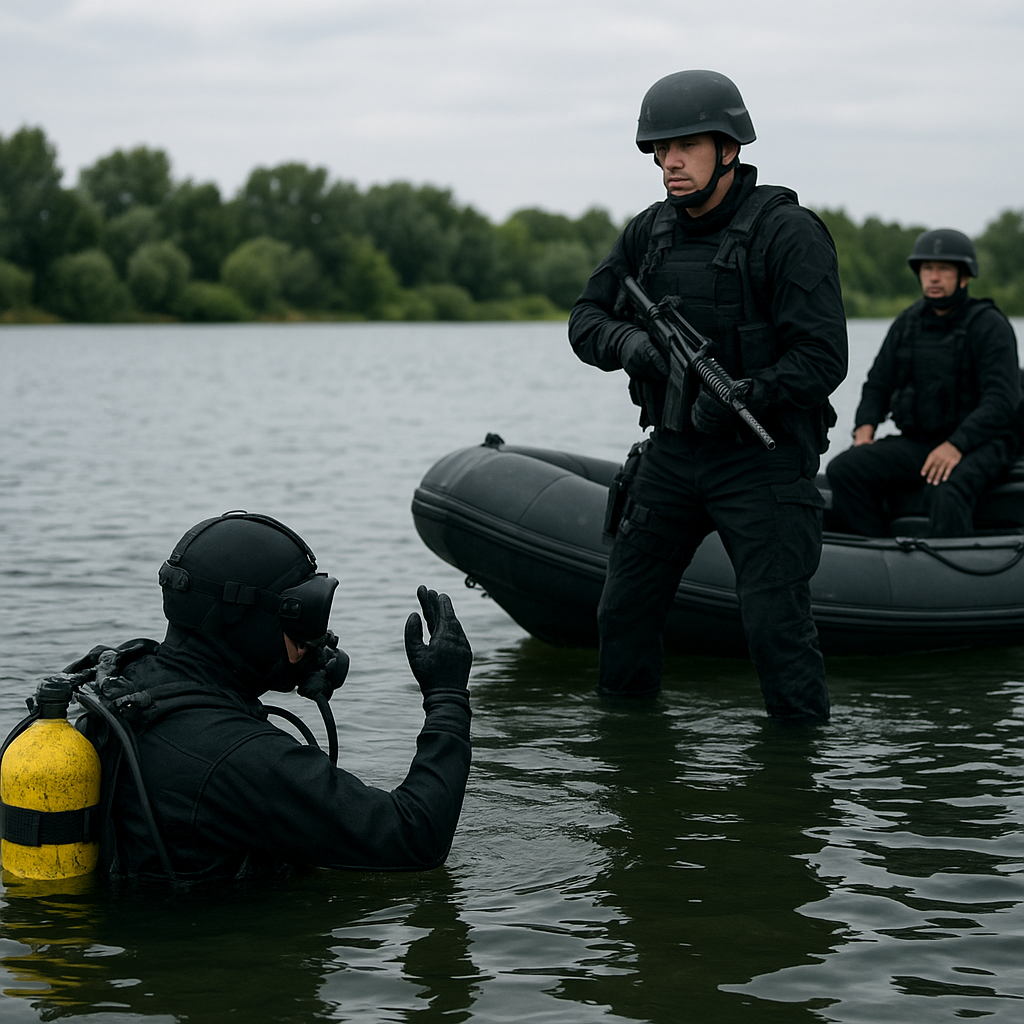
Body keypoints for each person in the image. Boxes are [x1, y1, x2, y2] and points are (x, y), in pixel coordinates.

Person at [568, 70, 848, 722]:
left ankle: (797, 782)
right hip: (672, 451)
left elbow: (823, 358)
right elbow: (586, 319)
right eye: (660, 150)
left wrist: (749, 391)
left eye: (685, 146)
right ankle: (632, 761)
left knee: (775, 627)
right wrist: (628, 346)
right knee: (624, 610)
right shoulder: (649, 233)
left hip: (762, 456)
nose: (670, 162)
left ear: (728, 148)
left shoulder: (788, 233)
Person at [69, 510, 473, 882]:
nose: (314, 639)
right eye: (299, 617)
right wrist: (447, 697)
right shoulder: (240, 756)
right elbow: (417, 839)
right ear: (241, 619)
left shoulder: (127, 677)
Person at [827, 230, 1020, 537]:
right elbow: (878, 383)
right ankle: (880, 555)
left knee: (947, 488)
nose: (933, 277)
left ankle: (955, 578)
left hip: (982, 443)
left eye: (943, 270)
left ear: (964, 277)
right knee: (846, 469)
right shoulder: (908, 323)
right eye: (927, 269)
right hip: (921, 441)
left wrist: (956, 445)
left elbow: (1001, 400)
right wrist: (864, 431)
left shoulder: (989, 325)